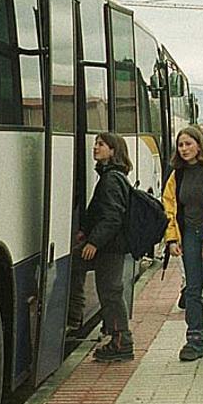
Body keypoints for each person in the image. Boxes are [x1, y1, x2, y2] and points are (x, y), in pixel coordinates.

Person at [69, 131, 135, 362]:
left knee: (110, 292)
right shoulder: (111, 176)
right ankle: (79, 317)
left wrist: (94, 242)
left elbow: (112, 217)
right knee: (78, 268)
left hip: (109, 246)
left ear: (113, 151)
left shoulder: (111, 179)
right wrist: (86, 231)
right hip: (109, 244)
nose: (95, 147)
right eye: (96, 144)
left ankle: (121, 341)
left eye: (101, 144)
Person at [162, 126, 203, 364]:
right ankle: (195, 340)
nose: (184, 149)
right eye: (180, 145)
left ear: (199, 145)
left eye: (188, 144)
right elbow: (169, 207)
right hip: (188, 234)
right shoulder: (177, 174)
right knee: (193, 289)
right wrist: (171, 238)